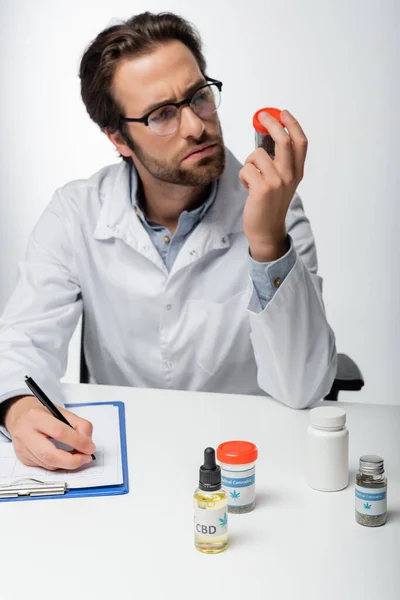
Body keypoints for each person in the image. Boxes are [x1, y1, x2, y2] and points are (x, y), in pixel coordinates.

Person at [0, 12, 337, 471]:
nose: (196, 126)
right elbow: (22, 342)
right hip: (126, 454)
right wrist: (19, 410)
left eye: (198, 97)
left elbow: (302, 387)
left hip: (248, 457)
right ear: (118, 137)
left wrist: (267, 241)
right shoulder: (76, 213)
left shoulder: (274, 205)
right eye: (161, 115)